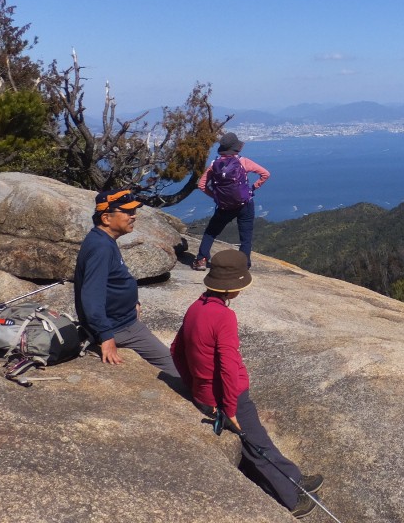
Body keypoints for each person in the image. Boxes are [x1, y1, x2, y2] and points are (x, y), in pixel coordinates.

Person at [171, 250, 323, 519]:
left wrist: (195, 386)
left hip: (206, 393)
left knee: (256, 443)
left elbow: (176, 350)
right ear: (232, 288)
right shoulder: (224, 317)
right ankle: (291, 499)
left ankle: (294, 477)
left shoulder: (196, 307)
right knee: (257, 445)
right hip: (230, 398)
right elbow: (228, 366)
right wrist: (229, 408)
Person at [74, 188, 180, 378]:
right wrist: (106, 336)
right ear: (106, 218)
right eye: (128, 212)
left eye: (134, 211)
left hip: (124, 320)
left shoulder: (103, 239)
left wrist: (133, 303)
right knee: (177, 368)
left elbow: (112, 281)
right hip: (121, 327)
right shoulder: (101, 248)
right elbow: (91, 297)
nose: (133, 216)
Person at [193, 132, 270, 270]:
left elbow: (201, 185)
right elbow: (265, 174)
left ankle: (201, 260)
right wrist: (252, 188)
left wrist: (216, 196)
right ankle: (243, 264)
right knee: (245, 236)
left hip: (224, 206)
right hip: (244, 204)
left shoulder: (214, 164)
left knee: (211, 232)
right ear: (236, 148)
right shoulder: (243, 162)